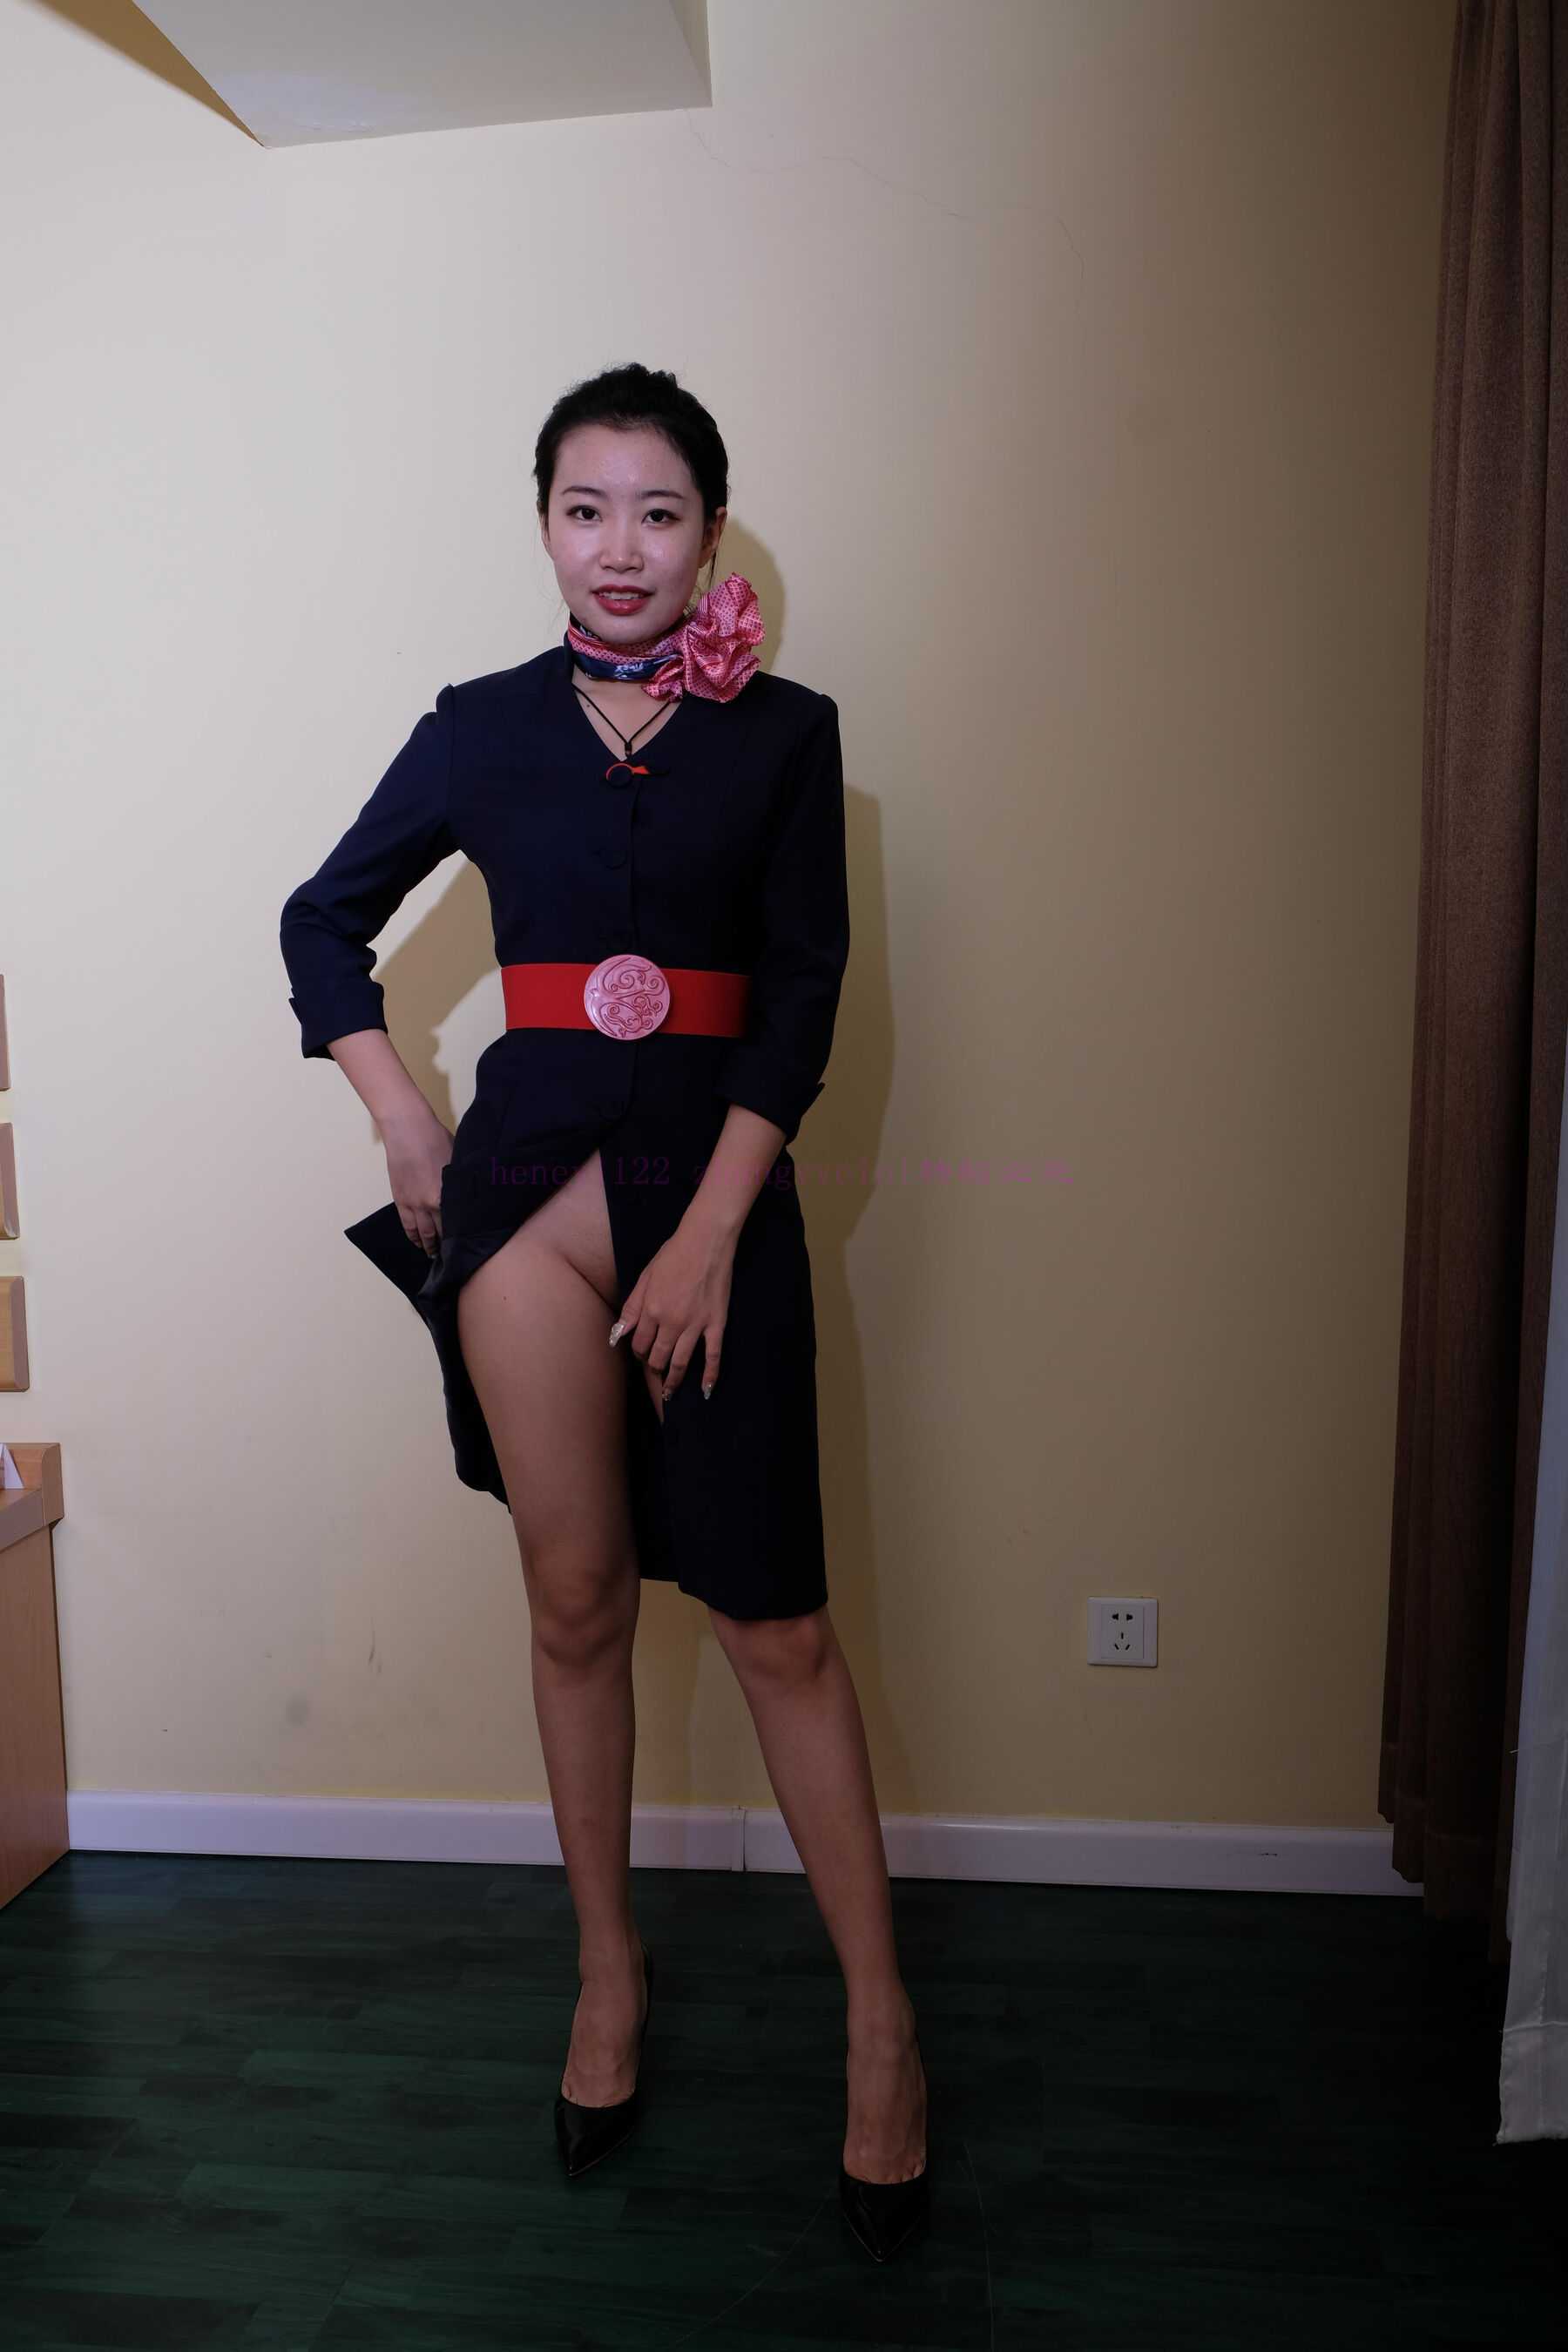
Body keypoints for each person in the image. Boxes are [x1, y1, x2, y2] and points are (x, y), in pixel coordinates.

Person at [279, 362, 928, 2260]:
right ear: (545, 525)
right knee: (573, 1606)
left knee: (775, 1622)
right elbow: (323, 920)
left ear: (709, 533)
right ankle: (608, 1976)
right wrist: (405, 1113)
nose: (620, 545)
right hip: (522, 1218)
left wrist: (717, 1230)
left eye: (658, 511)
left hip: (711, 1209)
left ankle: (881, 2031)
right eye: (585, 508)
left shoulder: (786, 736)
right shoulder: (478, 729)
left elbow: (800, 997)